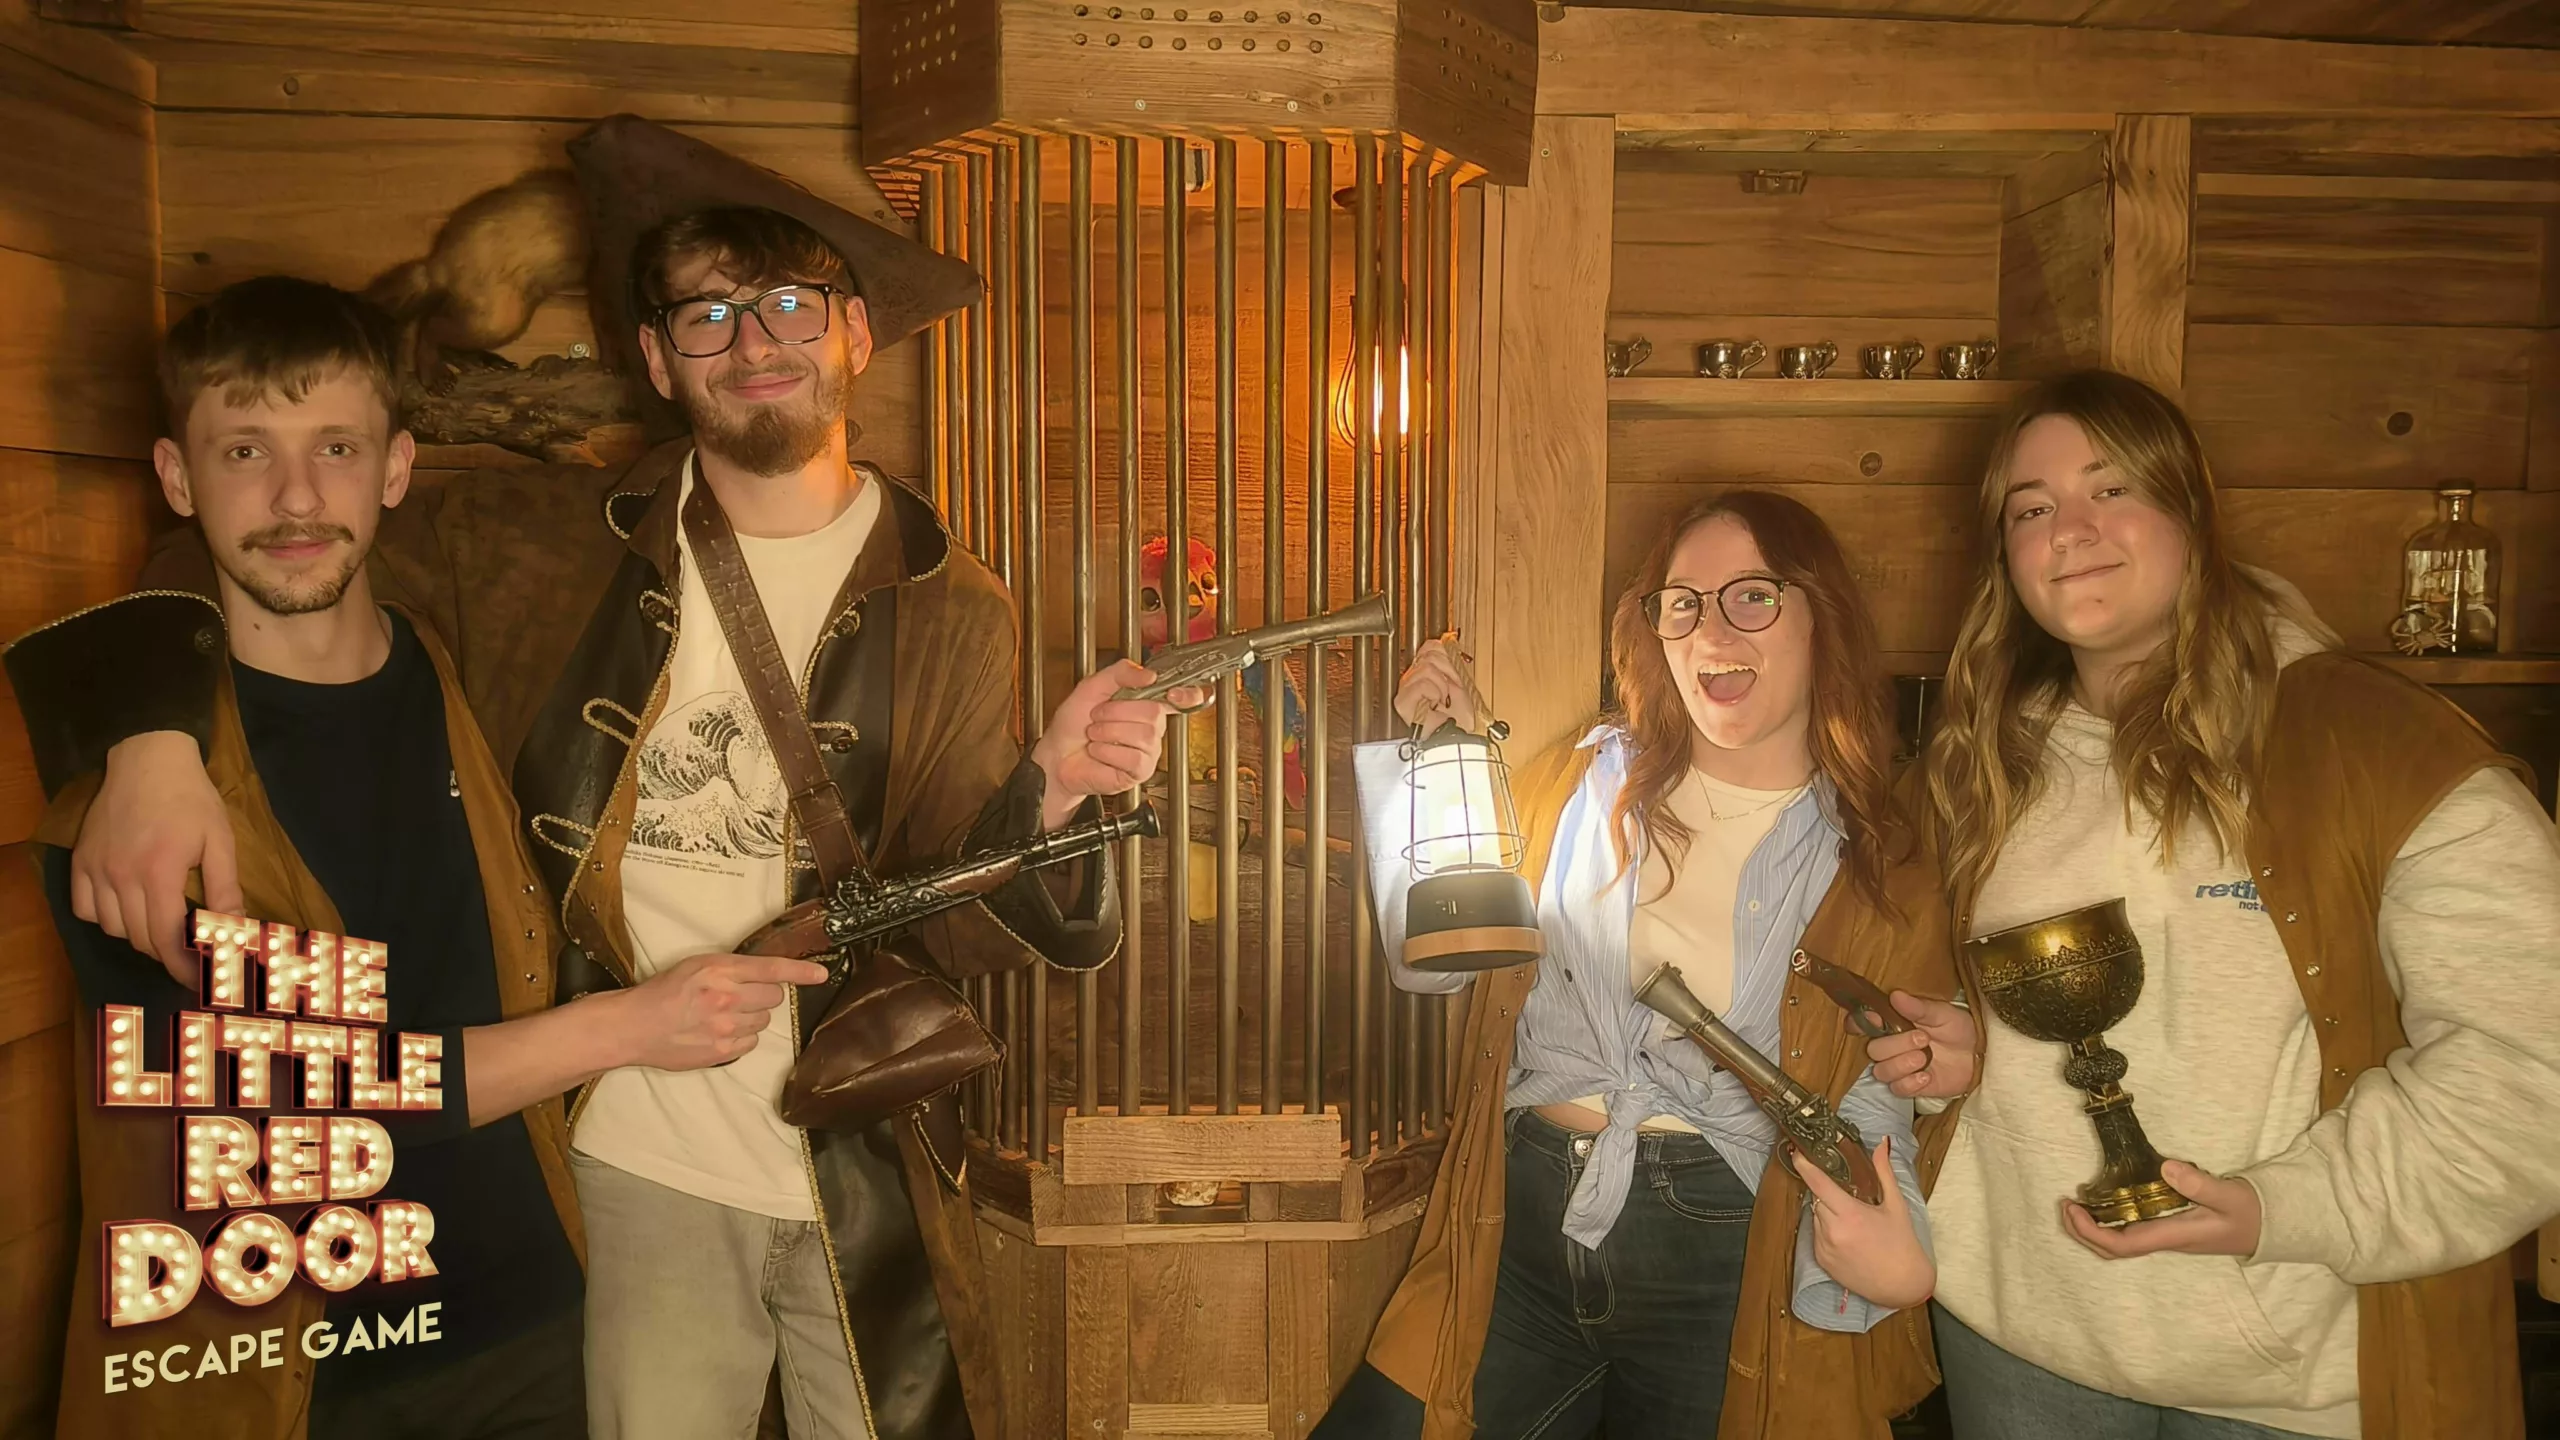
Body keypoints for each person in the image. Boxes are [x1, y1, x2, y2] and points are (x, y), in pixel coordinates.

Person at [17, 116, 1191, 1440]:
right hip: (618, 1160)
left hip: (860, 1150)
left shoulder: (954, 603)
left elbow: (955, 928)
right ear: (655, 356)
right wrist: (152, 735)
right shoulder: (530, 542)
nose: (755, 344)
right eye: (708, 315)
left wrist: (1049, 792)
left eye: (791, 304)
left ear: (856, 334)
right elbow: (262, 543)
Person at [7, 276, 820, 1438]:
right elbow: (286, 1106)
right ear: (178, 480)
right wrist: (630, 1027)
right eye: (245, 451)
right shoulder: (126, 805)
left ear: (395, 469)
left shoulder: (468, 670)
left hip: (533, 1330)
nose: (296, 497)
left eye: (335, 448)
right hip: (275, 1377)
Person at [1865, 369, 2560, 1439]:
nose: (2070, 531)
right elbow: (1930, 990)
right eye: (2031, 509)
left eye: (2111, 490)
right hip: (2016, 1338)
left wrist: (2289, 1207)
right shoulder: (1974, 765)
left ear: (2190, 508)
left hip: (2290, 1369)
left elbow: (2529, 1066)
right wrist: (1963, 1047)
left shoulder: (2380, 748)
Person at [1313, 491, 1956, 1439]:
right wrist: (1439, 755)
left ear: (1822, 615)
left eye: (1752, 597)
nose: (1711, 632)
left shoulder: (1881, 854)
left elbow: (1875, 1088)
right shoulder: (1577, 783)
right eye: (1682, 603)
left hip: (1729, 1252)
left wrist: (1900, 1250)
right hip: (1520, 1230)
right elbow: (1433, 966)